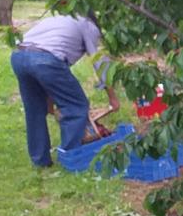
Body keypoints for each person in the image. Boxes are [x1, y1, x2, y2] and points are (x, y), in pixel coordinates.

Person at [10, 12, 119, 167]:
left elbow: (42, 64)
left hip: (19, 56)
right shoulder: (88, 25)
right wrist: (113, 98)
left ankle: (40, 161)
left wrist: (50, 105)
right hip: (46, 59)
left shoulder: (59, 17)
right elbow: (100, 62)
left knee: (34, 111)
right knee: (76, 106)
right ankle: (72, 158)